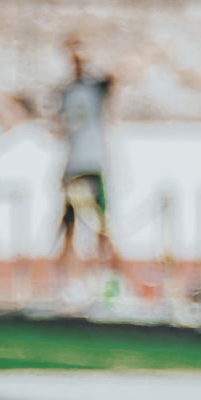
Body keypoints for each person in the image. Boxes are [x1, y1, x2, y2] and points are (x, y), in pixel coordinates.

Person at [56, 40, 120, 293]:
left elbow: (116, 76)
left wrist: (94, 59)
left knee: (102, 225)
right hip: (73, 166)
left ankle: (107, 281)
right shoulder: (66, 91)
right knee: (68, 226)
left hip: (94, 164)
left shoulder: (97, 88)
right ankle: (66, 283)